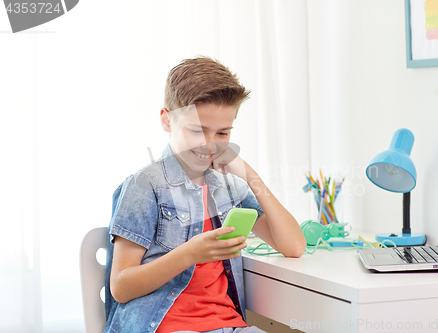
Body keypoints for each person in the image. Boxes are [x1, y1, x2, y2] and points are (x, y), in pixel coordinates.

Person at [104, 56, 307, 333]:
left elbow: (293, 246)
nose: (209, 145)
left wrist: (250, 176)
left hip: (229, 325)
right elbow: (121, 287)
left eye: (222, 132)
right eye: (197, 130)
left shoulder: (227, 188)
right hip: (164, 326)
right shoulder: (144, 186)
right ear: (167, 120)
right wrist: (189, 254)